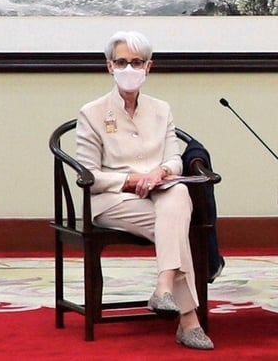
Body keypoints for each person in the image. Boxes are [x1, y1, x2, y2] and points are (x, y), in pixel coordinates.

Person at [75, 30, 214, 350]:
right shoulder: (91, 113)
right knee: (175, 227)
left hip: (161, 193)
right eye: (121, 62)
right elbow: (89, 176)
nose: (129, 69)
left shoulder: (161, 109)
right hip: (112, 200)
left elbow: (174, 159)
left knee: (178, 194)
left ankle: (164, 287)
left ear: (149, 67)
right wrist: (132, 180)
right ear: (109, 66)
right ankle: (188, 320)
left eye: (137, 62)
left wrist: (160, 172)